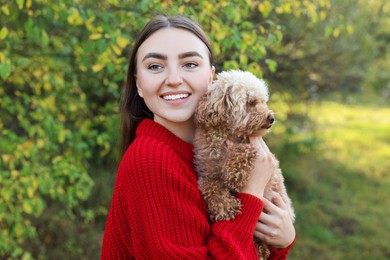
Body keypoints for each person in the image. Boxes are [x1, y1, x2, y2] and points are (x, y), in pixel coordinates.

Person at [101, 15, 295, 259]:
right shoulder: (150, 160)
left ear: (211, 77)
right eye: (155, 66)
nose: (173, 79)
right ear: (139, 84)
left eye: (190, 64)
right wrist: (251, 193)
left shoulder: (215, 154)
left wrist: (281, 241)